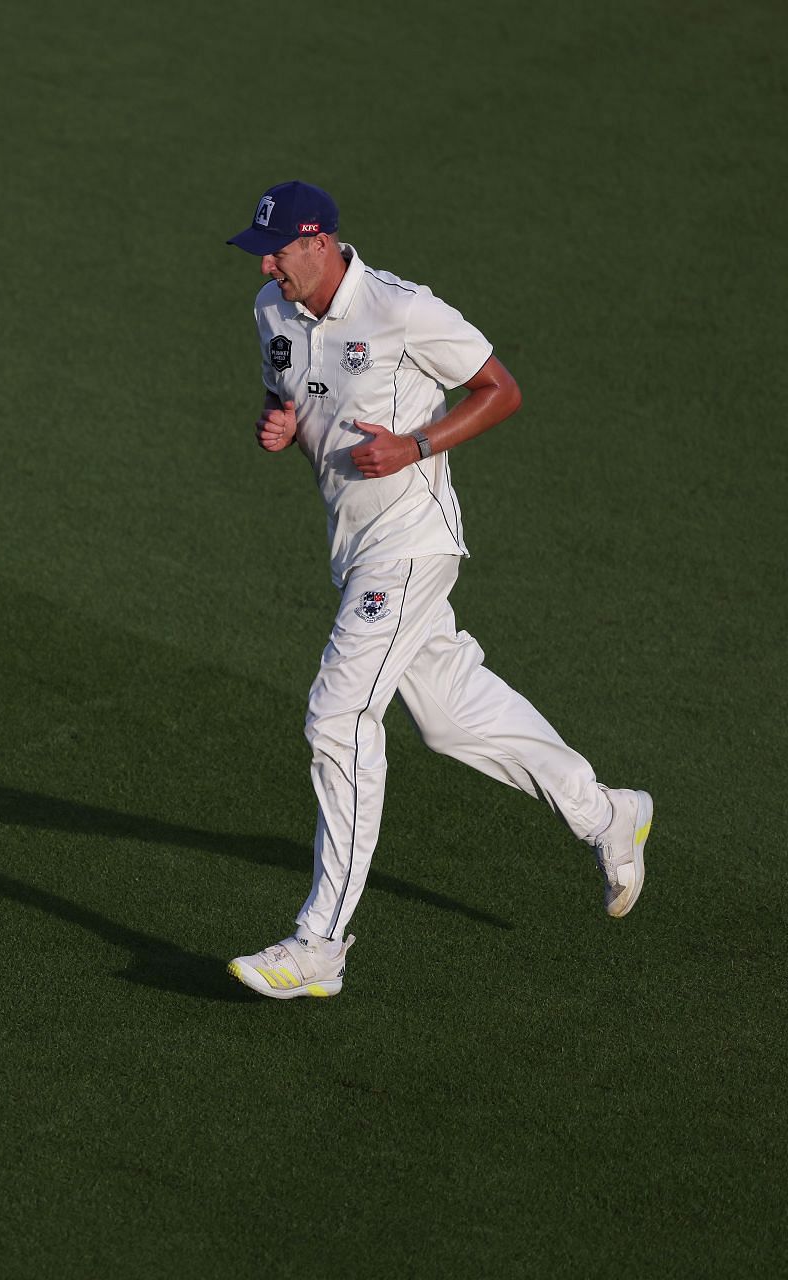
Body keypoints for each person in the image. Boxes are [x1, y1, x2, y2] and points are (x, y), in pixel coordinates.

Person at [221, 180, 652, 1000]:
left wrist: (416, 445)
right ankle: (605, 813)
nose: (267, 264)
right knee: (452, 718)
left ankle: (319, 945)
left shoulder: (403, 310)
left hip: (410, 548)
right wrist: (274, 423)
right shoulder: (272, 312)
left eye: (276, 250)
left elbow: (501, 390)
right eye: (260, 252)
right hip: (354, 550)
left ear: (320, 240)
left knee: (338, 718)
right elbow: (287, 391)